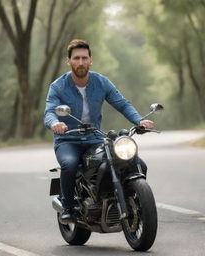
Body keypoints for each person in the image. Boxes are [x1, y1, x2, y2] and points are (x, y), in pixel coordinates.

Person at [44, 39, 154, 223]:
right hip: (68, 140)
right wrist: (55, 123)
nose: (80, 62)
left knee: (137, 163)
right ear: (68, 61)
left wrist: (139, 120)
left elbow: (122, 103)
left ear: (90, 60)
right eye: (76, 58)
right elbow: (49, 112)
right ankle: (69, 207)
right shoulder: (58, 86)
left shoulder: (101, 82)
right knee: (70, 164)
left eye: (84, 58)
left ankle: (129, 200)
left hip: (95, 138)